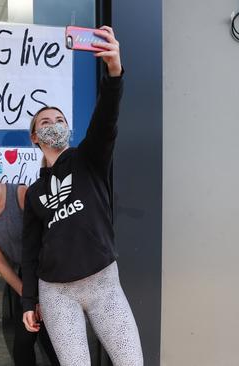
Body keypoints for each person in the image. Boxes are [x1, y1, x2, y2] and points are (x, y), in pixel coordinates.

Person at [21, 26, 144, 366]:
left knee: (131, 361)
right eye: (45, 121)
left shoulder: (89, 159)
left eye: (59, 119)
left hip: (103, 282)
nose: (53, 124)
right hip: (56, 292)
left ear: (69, 129)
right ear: (34, 137)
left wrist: (114, 73)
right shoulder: (34, 193)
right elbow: (29, 251)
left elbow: (107, 120)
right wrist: (29, 302)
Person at [0, 142, 59, 366]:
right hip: (24, 282)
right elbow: (0, 263)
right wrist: (29, 297)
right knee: (23, 345)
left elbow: (48, 239)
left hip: (50, 276)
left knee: (54, 343)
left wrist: (43, 295)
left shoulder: (21, 193)